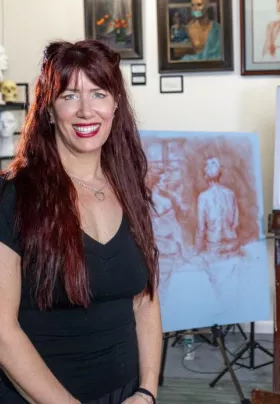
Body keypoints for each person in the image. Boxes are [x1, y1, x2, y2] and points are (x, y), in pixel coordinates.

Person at [0, 40, 162, 404]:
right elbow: (2, 331)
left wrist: (147, 391)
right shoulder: (12, 196)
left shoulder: (130, 189)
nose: (87, 111)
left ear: (115, 104)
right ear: (49, 111)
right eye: (70, 96)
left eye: (99, 93)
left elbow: (145, 301)